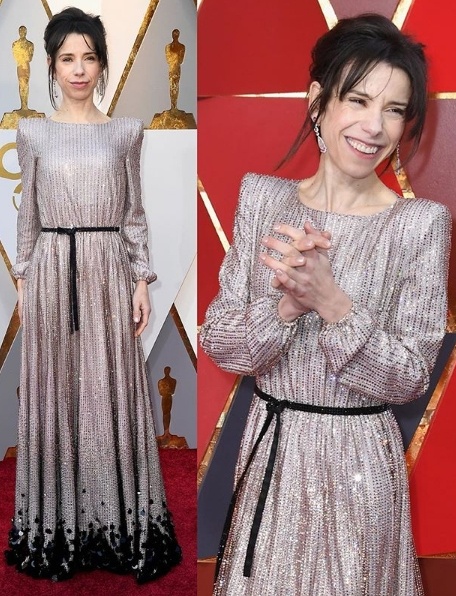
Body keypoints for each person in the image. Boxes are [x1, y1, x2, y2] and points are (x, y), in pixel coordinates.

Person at [200, 13, 451, 596]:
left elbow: (410, 378)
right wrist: (286, 309)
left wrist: (332, 302)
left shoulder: (420, 225)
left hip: (361, 467)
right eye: (358, 100)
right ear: (318, 101)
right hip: (272, 456)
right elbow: (221, 344)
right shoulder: (262, 199)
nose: (375, 126)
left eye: (394, 109)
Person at [5, 7, 181, 582]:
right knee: (57, 390)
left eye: (89, 57)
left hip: (107, 271)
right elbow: (27, 218)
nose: (79, 69)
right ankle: (59, 527)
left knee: (108, 391)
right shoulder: (33, 132)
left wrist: (141, 279)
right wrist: (24, 283)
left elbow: (134, 213)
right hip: (52, 270)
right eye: (67, 58)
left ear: (103, 64)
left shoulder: (125, 131)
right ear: (52, 66)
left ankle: (115, 523)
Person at [12, 26, 34, 111]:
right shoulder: (15, 44)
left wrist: (23, 56)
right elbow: (15, 56)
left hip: (26, 65)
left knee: (26, 84)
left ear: (26, 32)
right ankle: (23, 106)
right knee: (21, 84)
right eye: (20, 31)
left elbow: (30, 58)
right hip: (20, 65)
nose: (22, 32)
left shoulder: (30, 44)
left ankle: (25, 106)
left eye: (23, 31)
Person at [165, 29, 185, 110]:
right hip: (172, 68)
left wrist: (174, 59)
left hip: (176, 68)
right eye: (174, 34)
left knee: (175, 86)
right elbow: (168, 59)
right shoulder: (168, 47)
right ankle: (172, 107)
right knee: (172, 86)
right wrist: (175, 57)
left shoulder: (182, 47)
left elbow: (181, 60)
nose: (175, 36)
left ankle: (174, 106)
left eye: (177, 34)